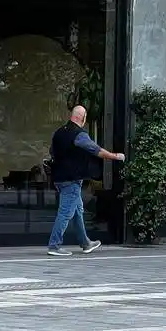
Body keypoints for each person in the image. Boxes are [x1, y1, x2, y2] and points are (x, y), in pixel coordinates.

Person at [47, 105, 125, 257]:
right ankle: (54, 245)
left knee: (77, 211)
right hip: (72, 180)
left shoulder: (59, 132)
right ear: (82, 118)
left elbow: (52, 152)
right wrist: (115, 156)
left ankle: (85, 243)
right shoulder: (79, 135)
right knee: (65, 213)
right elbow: (95, 150)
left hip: (59, 178)